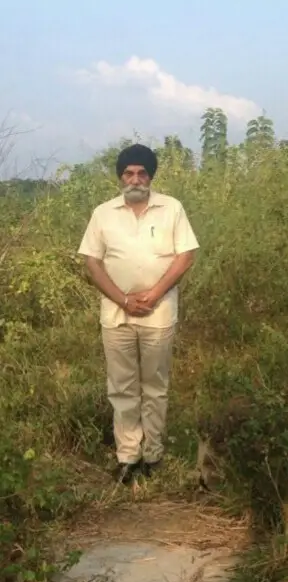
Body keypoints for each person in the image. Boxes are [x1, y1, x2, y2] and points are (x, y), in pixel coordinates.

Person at [78, 143, 199, 484]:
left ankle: (153, 455)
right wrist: (123, 300)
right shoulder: (103, 213)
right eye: (129, 173)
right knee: (122, 387)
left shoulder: (171, 208)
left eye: (142, 172)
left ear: (151, 176)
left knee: (155, 386)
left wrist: (154, 294)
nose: (135, 179)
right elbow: (92, 261)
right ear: (120, 177)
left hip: (159, 313)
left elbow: (185, 256)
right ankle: (128, 456)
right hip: (116, 315)